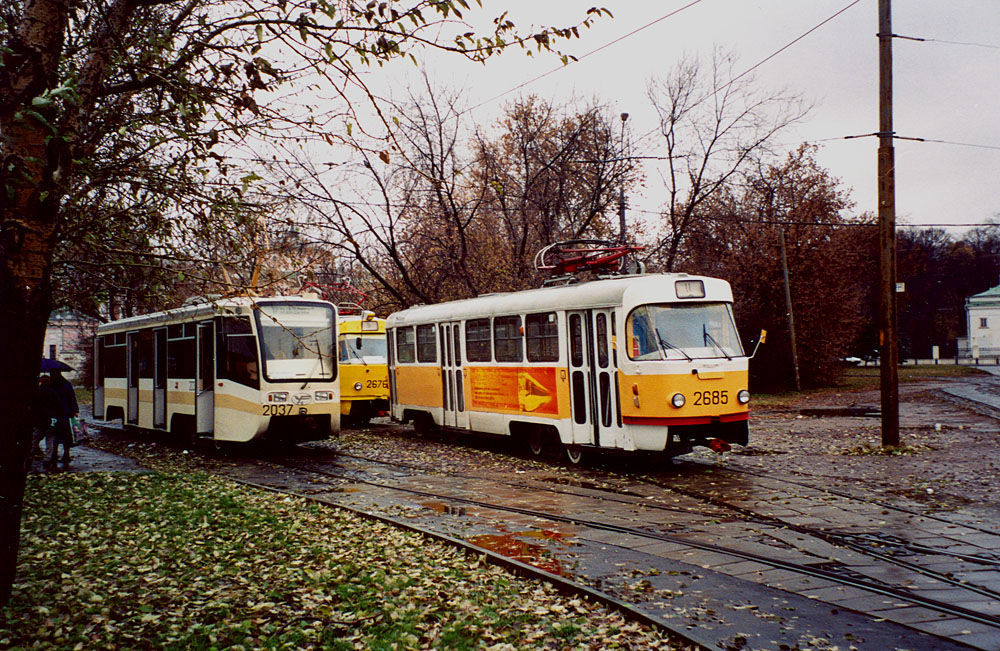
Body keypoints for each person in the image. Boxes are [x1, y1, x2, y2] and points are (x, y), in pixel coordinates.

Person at [35, 375, 67, 468]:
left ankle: (30, 456)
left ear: (40, 381)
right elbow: (59, 406)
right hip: (51, 420)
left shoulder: (37, 392)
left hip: (40, 420)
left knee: (36, 439)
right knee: (50, 439)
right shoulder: (53, 392)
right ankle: (47, 459)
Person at [49, 370, 78, 463]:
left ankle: (54, 454)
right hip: (65, 413)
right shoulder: (66, 384)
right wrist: (75, 410)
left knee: (53, 435)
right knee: (66, 435)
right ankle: (66, 454)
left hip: (54, 413)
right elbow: (72, 398)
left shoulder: (50, 384)